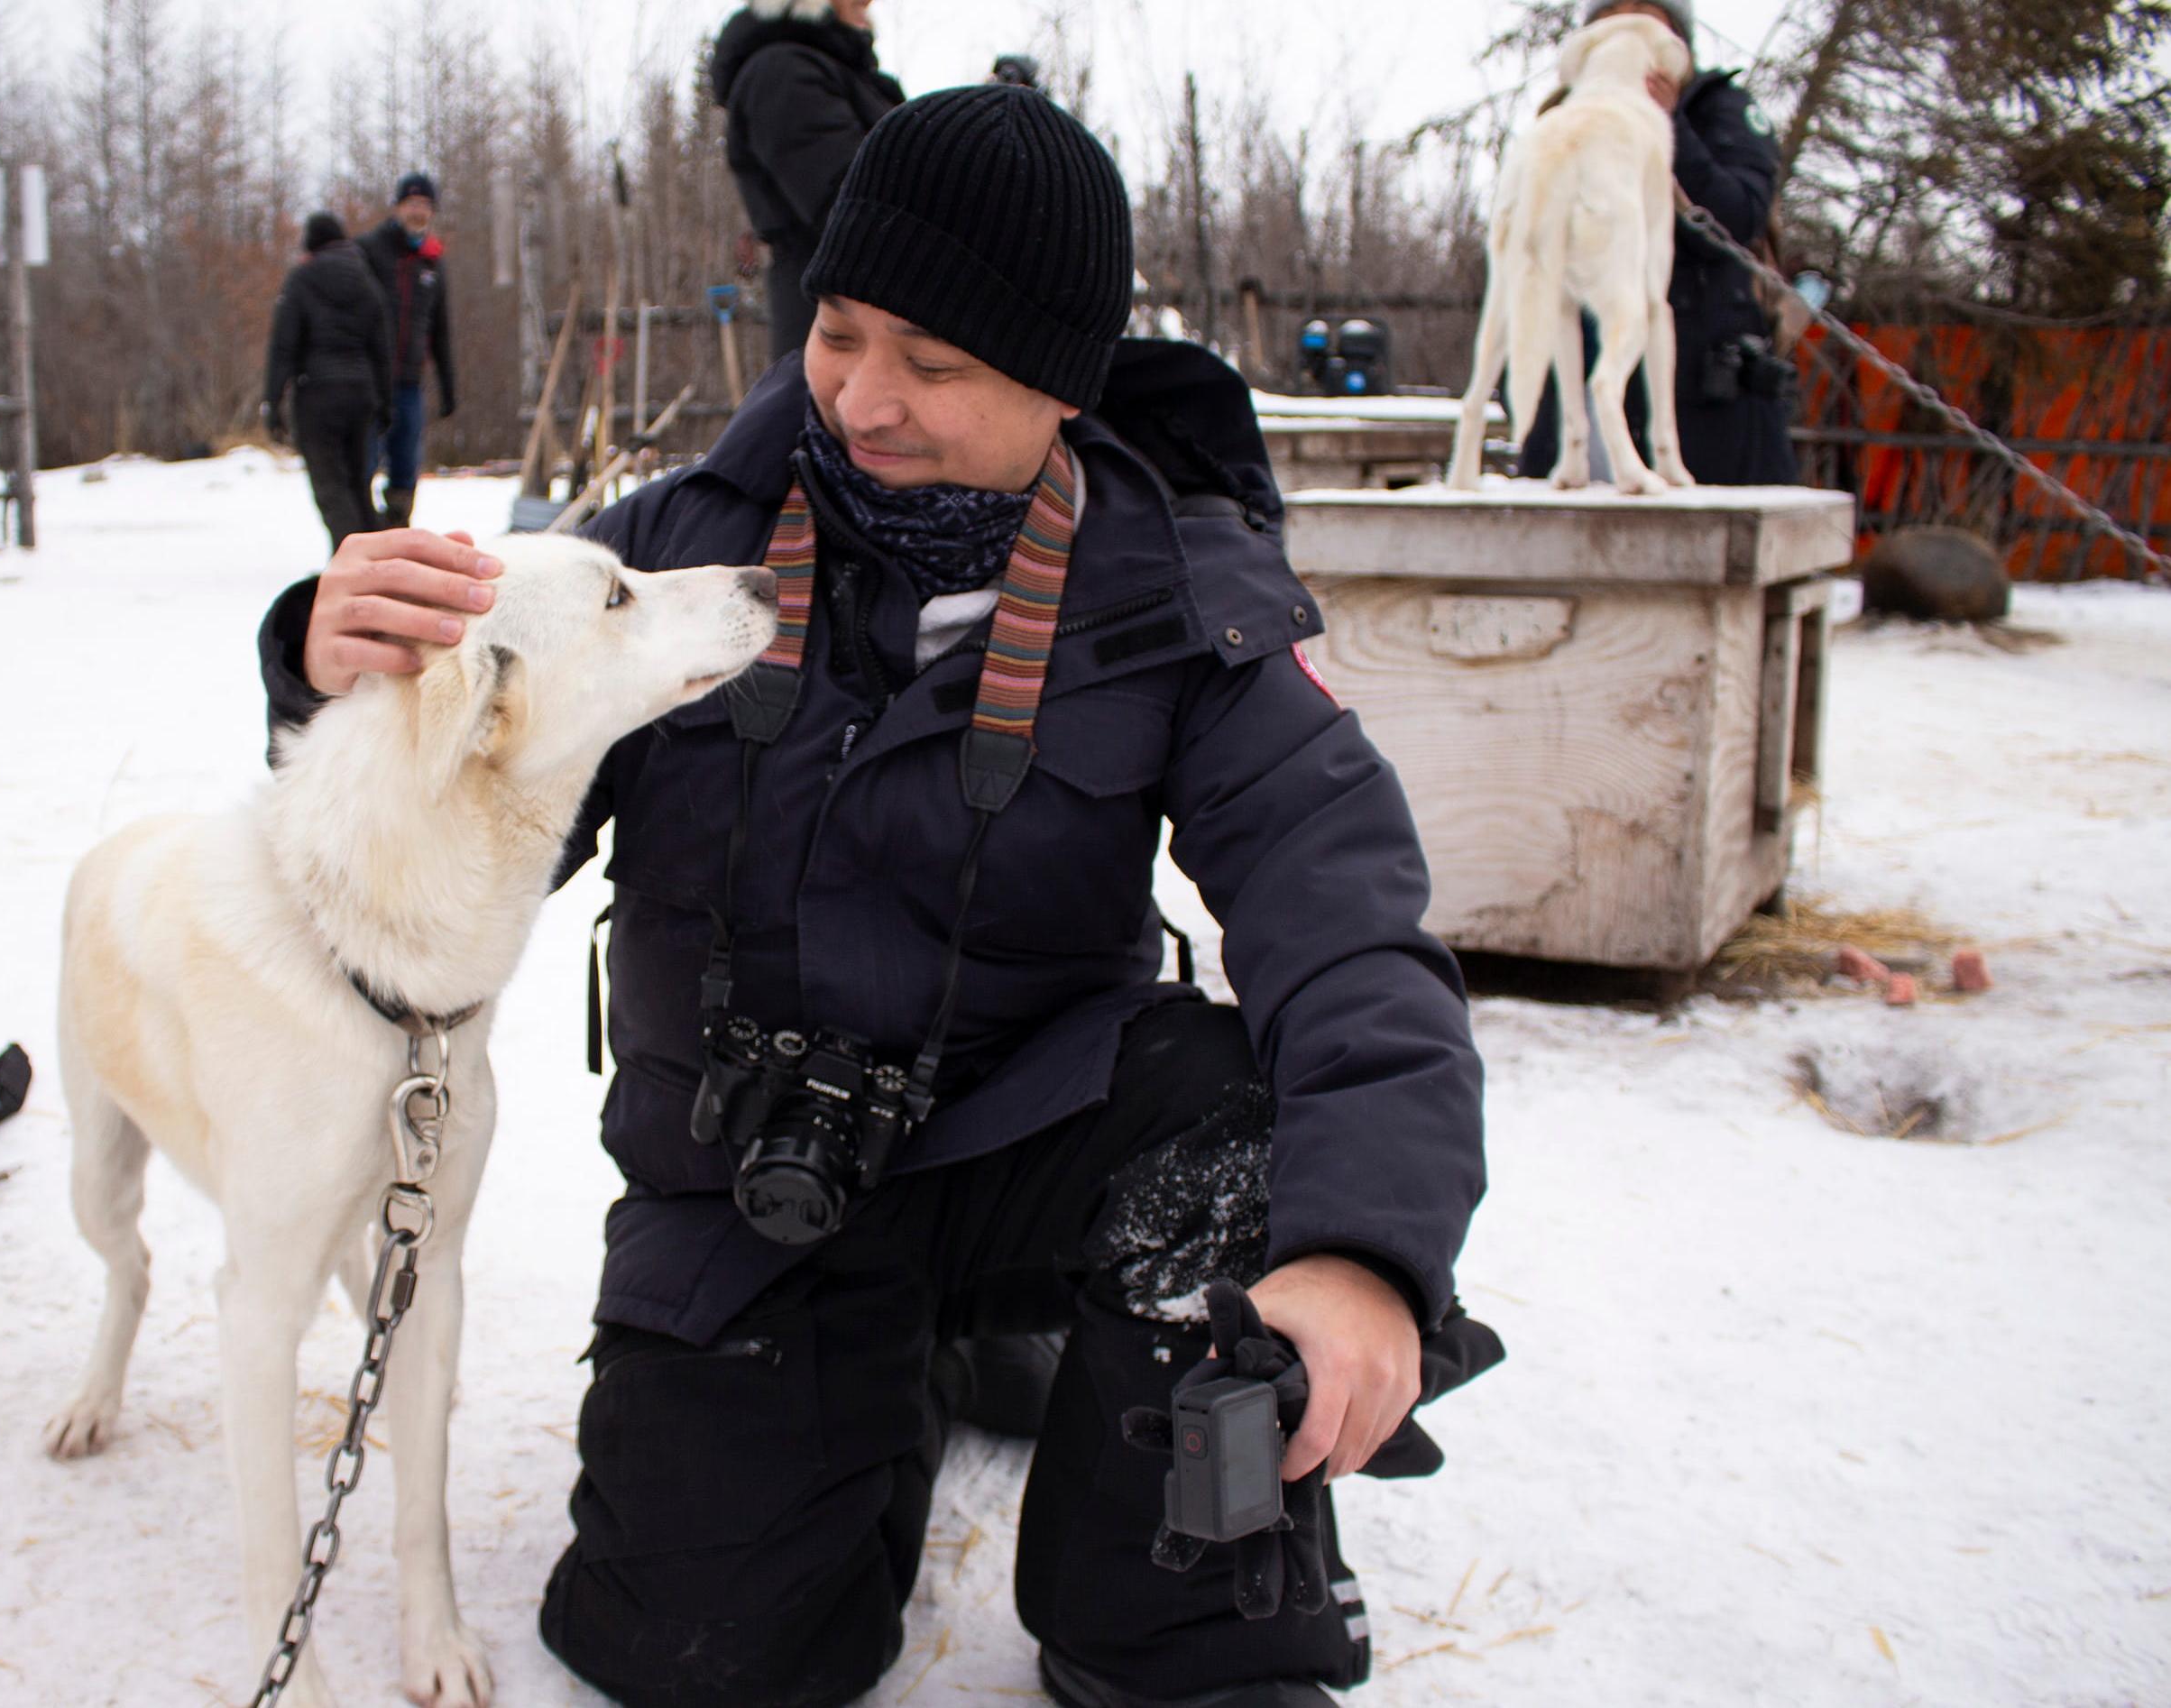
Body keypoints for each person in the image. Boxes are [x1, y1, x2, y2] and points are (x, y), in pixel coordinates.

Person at [261, 87, 1490, 1708]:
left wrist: (1364, 1251)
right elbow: (426, 854)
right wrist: (332, 674)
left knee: (1239, 1152)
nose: (861, 400)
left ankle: (1167, 1619)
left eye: (937, 361)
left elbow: (1349, 930)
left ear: (1060, 383)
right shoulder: (662, 562)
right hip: (753, 1161)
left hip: (1035, 1136)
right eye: (838, 333)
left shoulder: (1182, 588)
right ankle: (890, 1364)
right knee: (701, 1652)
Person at [1515, 0, 1799, 485]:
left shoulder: (1720, 109)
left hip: (1701, 409)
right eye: (1613, 17)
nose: (1626, 31)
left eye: (1644, 15)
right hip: (1576, 394)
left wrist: (1668, 127)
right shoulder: (1562, 118)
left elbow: (1735, 222)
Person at [710, 0, 906, 365]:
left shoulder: (839, 73)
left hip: (866, 321)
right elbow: (853, 208)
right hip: (834, 329)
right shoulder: (783, 74)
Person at [262, 211, 394, 553]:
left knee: (331, 486)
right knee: (358, 485)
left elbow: (283, 345)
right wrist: (385, 402)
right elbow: (381, 346)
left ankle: (351, 563)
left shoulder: (302, 279)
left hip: (318, 395)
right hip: (361, 394)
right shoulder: (366, 280)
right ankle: (375, 561)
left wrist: (272, 401)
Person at [355, 172, 457, 529]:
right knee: (364, 462)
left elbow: (440, 329)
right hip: (368, 381)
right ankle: (360, 534)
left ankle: (397, 532)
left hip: (409, 383)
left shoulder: (432, 261)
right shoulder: (369, 250)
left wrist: (448, 387)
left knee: (405, 464)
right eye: (412, 204)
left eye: (425, 206)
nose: (418, 212)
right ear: (398, 207)